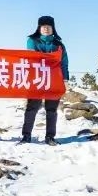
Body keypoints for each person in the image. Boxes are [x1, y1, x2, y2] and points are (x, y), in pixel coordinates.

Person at [21, 15, 69, 146]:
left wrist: (65, 79)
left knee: (51, 110)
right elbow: (33, 56)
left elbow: (64, 63)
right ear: (39, 28)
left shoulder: (59, 45)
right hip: (36, 79)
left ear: (53, 28)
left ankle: (50, 137)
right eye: (43, 26)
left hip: (54, 80)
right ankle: (26, 136)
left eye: (48, 26)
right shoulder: (32, 41)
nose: (46, 29)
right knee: (32, 108)